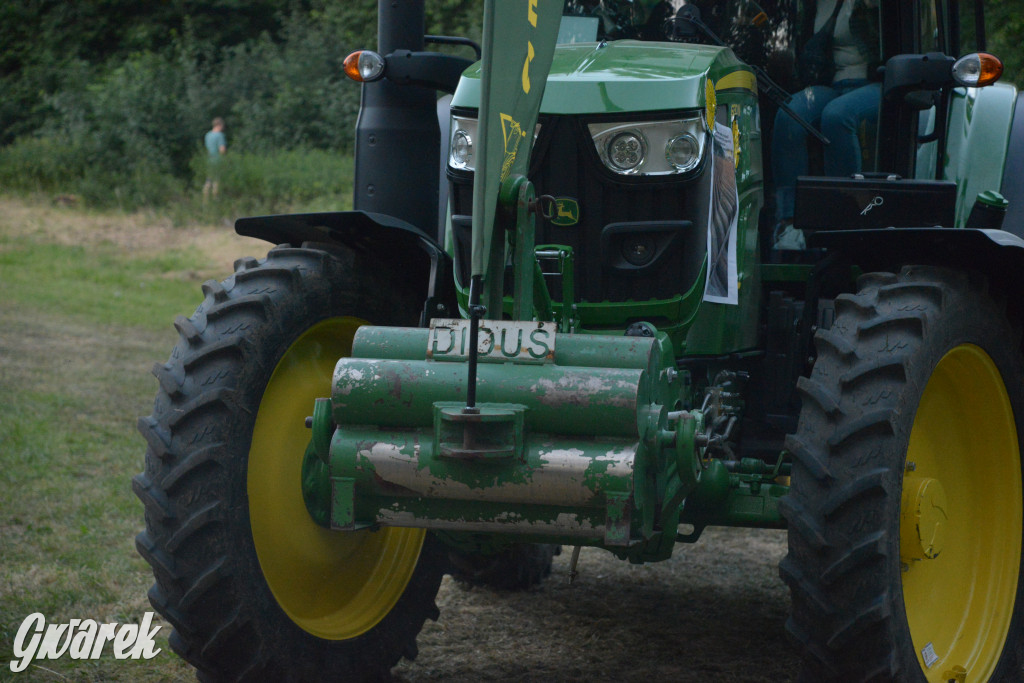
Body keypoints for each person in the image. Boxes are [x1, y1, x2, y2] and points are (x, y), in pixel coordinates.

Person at [772, 0, 880, 248]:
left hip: (878, 81)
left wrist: (869, 11)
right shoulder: (815, 4)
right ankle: (789, 222)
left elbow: (884, 46)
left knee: (836, 116)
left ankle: (844, 219)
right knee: (790, 113)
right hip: (835, 83)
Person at [203, 117, 227, 200]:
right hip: (217, 160)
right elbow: (222, 150)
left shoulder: (208, 135)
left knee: (209, 180)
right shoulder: (220, 135)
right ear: (219, 125)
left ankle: (205, 199)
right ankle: (215, 198)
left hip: (209, 160)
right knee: (217, 180)